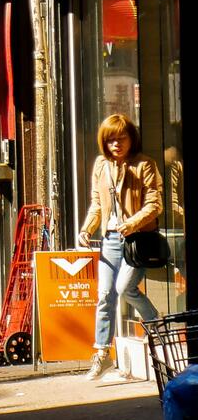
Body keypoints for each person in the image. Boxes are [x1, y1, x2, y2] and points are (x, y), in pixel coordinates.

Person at [76, 114, 163, 380]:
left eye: (121, 138)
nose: (116, 144)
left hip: (137, 240)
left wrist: (133, 223)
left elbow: (155, 204)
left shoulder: (144, 164)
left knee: (124, 288)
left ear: (131, 138)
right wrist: (86, 229)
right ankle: (102, 354)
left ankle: (158, 333)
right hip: (110, 240)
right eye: (110, 139)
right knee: (104, 295)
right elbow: (97, 203)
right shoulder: (101, 166)